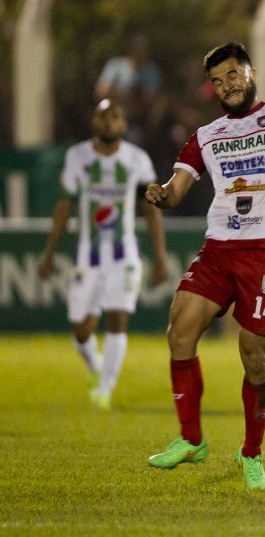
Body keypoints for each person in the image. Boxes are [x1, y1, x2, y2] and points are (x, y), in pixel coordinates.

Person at [144, 43, 265, 491]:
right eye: (217, 80)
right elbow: (176, 190)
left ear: (251, 73)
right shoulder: (207, 134)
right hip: (219, 249)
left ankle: (251, 452)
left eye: (233, 75)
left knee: (255, 356)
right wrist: (161, 193)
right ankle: (191, 439)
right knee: (179, 330)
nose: (227, 85)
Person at [39, 99, 168, 410]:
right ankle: (97, 368)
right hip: (88, 255)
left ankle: (105, 389)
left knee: (117, 318)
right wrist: (50, 252)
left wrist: (160, 257)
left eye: (115, 116)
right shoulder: (77, 156)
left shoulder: (137, 160)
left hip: (124, 255)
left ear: (123, 124)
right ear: (93, 121)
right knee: (81, 329)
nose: (109, 121)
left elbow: (149, 211)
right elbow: (64, 206)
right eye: (102, 115)